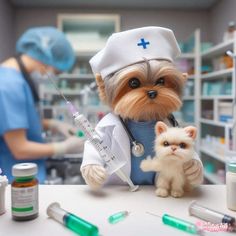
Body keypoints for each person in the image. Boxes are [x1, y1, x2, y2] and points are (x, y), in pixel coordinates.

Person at [0, 26, 84, 183]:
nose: (54, 77)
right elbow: (20, 149)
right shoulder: (9, 85)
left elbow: (18, 122)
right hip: (17, 183)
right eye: (56, 72)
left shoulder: (16, 79)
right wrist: (63, 147)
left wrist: (53, 124)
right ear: (46, 61)